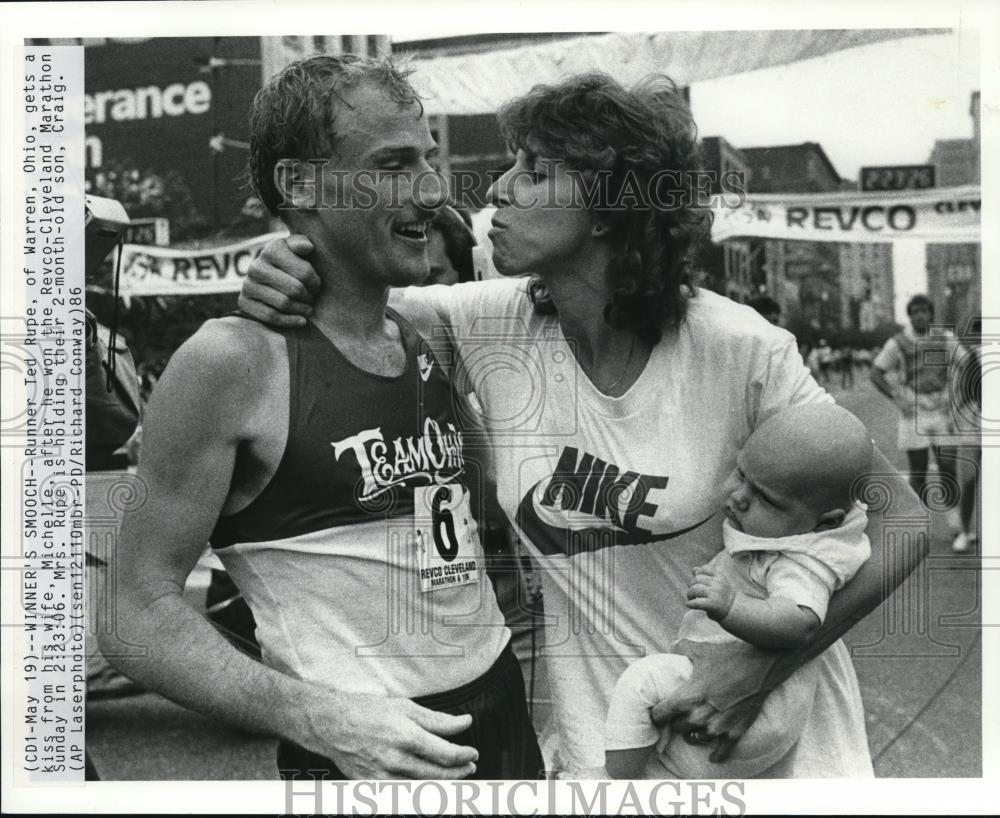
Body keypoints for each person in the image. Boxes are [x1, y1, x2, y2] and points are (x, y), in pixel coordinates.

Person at [241, 70, 927, 777]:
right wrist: (282, 262)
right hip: (605, 748)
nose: (498, 190)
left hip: (763, 747)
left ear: (605, 211)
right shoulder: (486, 325)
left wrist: (757, 668)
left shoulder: (738, 349)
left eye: (534, 173)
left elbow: (904, 523)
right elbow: (346, 301)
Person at [102, 54, 544, 781]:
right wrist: (316, 716)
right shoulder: (231, 363)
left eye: (427, 161)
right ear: (300, 183)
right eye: (394, 164)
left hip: (502, 721)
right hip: (367, 755)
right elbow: (134, 615)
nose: (430, 191)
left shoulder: (425, 333)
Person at [604, 403, 872, 779]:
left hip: (756, 710)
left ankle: (613, 782)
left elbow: (800, 621)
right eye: (741, 473)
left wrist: (732, 605)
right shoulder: (784, 531)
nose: (738, 496)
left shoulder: (801, 559)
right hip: (748, 714)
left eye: (766, 498)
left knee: (642, 684)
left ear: (823, 522)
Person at [871, 295, 964, 546]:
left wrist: (958, 395)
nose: (920, 315)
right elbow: (876, 372)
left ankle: (956, 526)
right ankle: (917, 526)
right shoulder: (898, 342)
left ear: (931, 314)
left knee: (947, 467)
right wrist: (895, 396)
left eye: (925, 311)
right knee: (919, 471)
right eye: (915, 311)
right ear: (909, 316)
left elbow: (966, 365)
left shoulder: (945, 339)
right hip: (914, 411)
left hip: (942, 410)